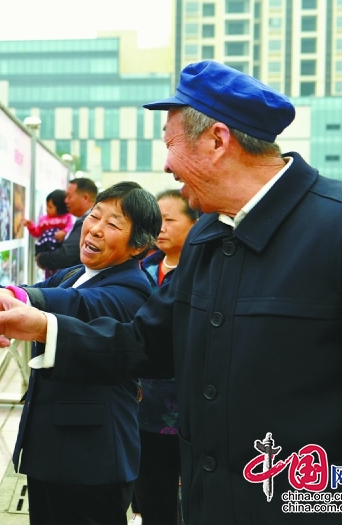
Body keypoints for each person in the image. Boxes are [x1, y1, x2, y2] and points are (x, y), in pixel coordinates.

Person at [0, 61, 342, 524]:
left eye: (171, 143)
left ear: (218, 141)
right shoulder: (207, 238)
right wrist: (44, 326)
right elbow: (146, 343)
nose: (166, 164)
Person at [0, 181, 162, 525]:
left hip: (92, 460)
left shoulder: (132, 289)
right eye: (94, 217)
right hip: (51, 451)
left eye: (112, 224)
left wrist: (19, 303)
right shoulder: (74, 273)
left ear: (138, 246)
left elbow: (73, 305)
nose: (95, 229)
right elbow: (26, 291)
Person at [133, 189, 198, 525]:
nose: (161, 228)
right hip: (145, 412)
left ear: (196, 224)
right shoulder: (140, 271)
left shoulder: (203, 275)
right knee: (154, 502)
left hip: (191, 413)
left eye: (170, 220)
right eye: (157, 221)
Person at [35, 178, 97, 272]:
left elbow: (66, 255)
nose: (66, 201)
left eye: (69, 196)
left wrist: (41, 258)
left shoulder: (89, 223)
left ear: (85, 198)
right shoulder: (84, 220)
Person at [24, 189, 75, 279]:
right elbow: (38, 233)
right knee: (49, 275)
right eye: (46, 206)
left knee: (61, 274)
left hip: (59, 251)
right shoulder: (44, 219)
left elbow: (71, 227)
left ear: (60, 207)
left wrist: (64, 232)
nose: (47, 209)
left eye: (50, 207)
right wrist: (31, 226)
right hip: (47, 252)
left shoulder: (67, 217)